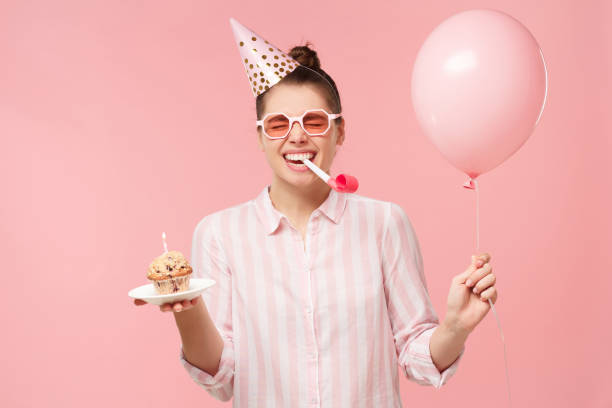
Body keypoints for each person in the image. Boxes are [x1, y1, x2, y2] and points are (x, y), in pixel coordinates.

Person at [134, 23, 498, 407]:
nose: (297, 137)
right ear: (260, 138)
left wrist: (456, 326)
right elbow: (222, 379)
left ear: (339, 132)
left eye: (314, 121)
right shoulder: (219, 234)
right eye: (278, 125)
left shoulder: (385, 224)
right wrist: (187, 310)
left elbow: (416, 357)